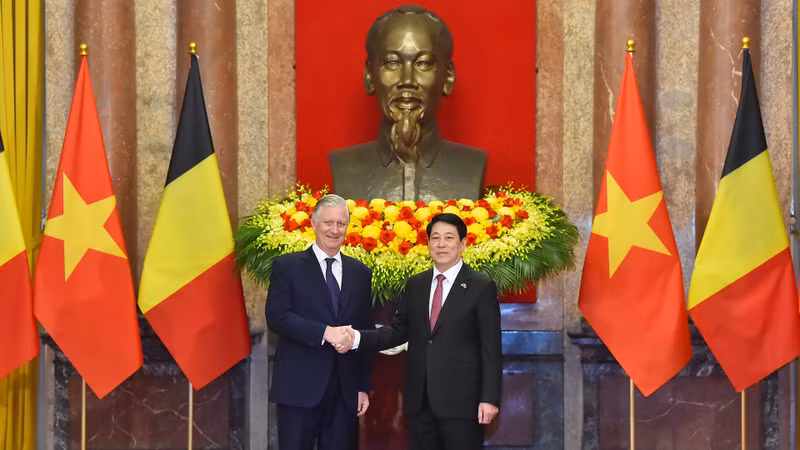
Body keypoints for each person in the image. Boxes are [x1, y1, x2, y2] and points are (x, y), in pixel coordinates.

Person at [341, 213, 502, 450]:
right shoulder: (416, 284)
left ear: (463, 243)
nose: (441, 244)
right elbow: (398, 332)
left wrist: (489, 398)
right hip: (419, 401)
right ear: (427, 244)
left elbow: (491, 348)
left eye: (449, 238)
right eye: (435, 238)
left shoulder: (480, 286)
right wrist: (357, 337)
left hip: (462, 403)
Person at [329, 5, 488, 202]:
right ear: (370, 76)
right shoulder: (344, 167)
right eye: (392, 62)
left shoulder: (471, 166)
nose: (407, 80)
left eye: (423, 63)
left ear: (448, 77)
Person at [265, 194, 373, 450]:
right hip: (298, 389)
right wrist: (326, 333)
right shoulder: (287, 267)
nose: (334, 230)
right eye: (328, 223)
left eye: (341, 224)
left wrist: (362, 386)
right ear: (313, 224)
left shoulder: (360, 273)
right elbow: (277, 316)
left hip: (344, 393)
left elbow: (364, 332)